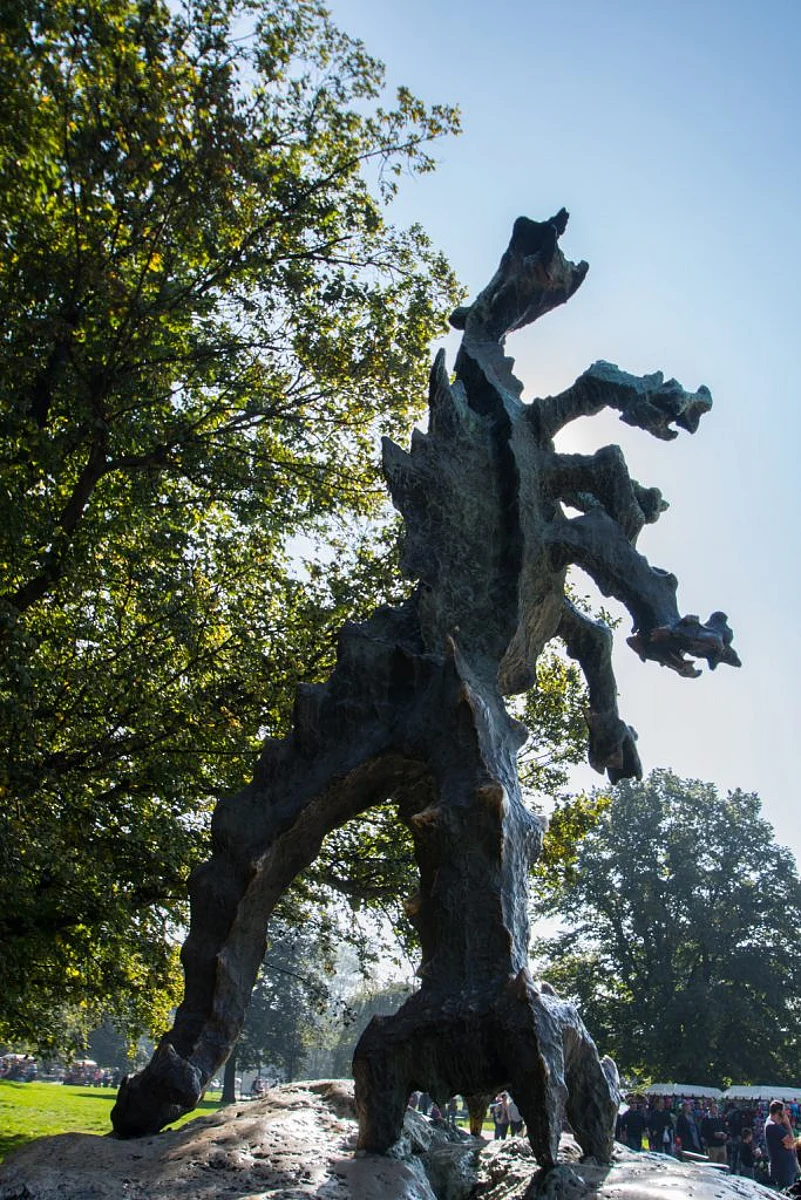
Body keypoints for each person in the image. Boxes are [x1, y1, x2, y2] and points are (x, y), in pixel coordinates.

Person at [764, 1099, 798, 1189]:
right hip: (783, 1168)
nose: (786, 1113)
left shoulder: (774, 1124)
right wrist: (788, 1124)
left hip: (784, 1166)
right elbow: (791, 1143)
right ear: (779, 1112)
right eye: (784, 1111)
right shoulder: (773, 1126)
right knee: (787, 1192)